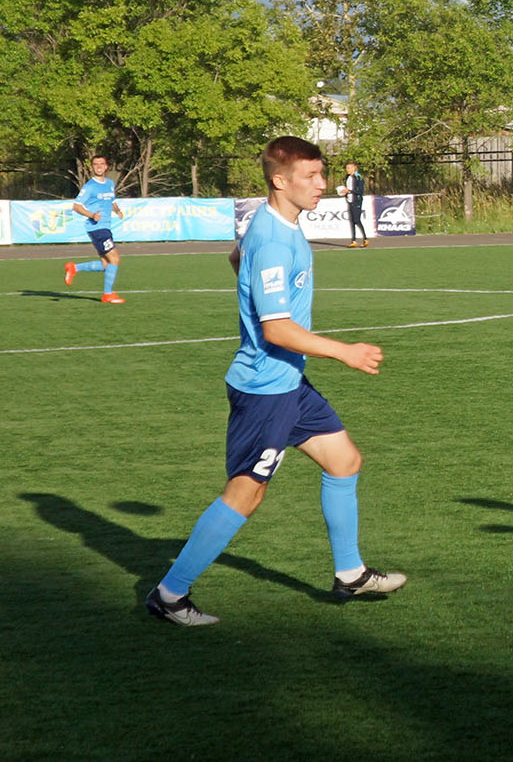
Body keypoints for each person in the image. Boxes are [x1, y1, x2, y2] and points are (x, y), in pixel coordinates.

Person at [145, 135, 405, 626]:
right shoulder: (272, 239)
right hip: (266, 388)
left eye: (322, 174)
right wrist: (344, 351)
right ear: (279, 180)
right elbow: (277, 328)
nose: (321, 185)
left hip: (288, 383)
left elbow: (236, 258)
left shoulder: (272, 224)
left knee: (344, 460)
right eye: (310, 176)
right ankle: (170, 593)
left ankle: (349, 573)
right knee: (246, 492)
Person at [63, 155, 126, 304]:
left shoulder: (110, 184)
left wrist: (117, 210)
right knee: (115, 258)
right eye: (96, 164)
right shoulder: (90, 186)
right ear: (92, 167)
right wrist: (92, 215)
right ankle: (108, 294)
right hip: (97, 228)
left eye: (101, 164)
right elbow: (76, 206)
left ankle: (74, 268)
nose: (99, 166)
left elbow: (112, 200)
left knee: (106, 264)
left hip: (105, 227)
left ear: (106, 167)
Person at [336, 161, 370, 248]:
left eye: (349, 168)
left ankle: (365, 239)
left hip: (357, 201)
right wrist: (345, 192)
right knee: (352, 221)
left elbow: (360, 191)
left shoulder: (358, 177)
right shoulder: (348, 178)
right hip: (350, 201)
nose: (347, 170)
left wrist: (349, 191)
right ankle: (353, 240)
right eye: (346, 168)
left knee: (357, 220)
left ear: (354, 168)